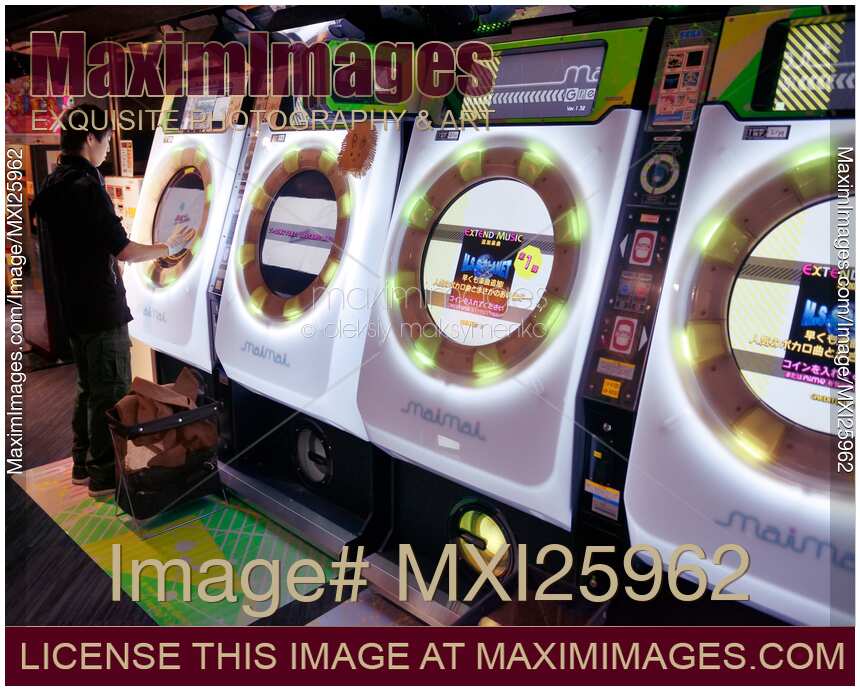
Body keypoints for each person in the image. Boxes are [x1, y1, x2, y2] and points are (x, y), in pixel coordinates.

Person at [32, 103, 195, 497]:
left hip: (73, 308)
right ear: (90, 138)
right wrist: (168, 246)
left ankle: (83, 464)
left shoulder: (54, 182)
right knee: (111, 390)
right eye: (106, 140)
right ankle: (105, 476)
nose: (107, 148)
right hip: (100, 308)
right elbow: (123, 249)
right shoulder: (87, 187)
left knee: (88, 387)